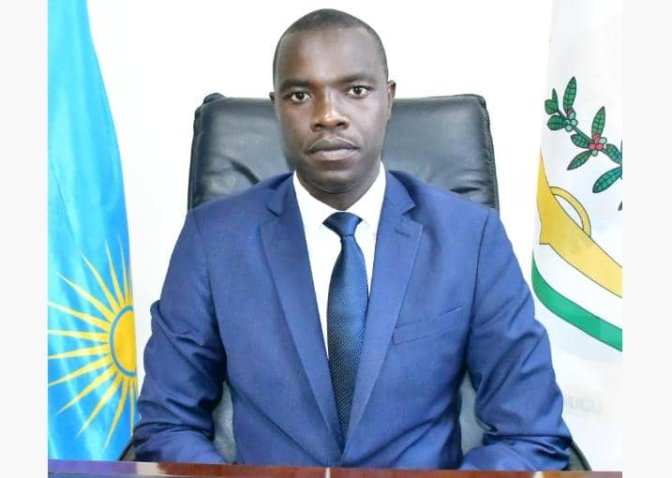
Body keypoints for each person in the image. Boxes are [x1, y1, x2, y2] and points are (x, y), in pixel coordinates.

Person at [133, 8, 572, 470]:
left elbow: (530, 433)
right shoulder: (212, 240)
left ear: (388, 99)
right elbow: (168, 426)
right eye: (300, 95)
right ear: (276, 108)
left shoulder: (470, 238)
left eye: (356, 90)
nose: (328, 116)